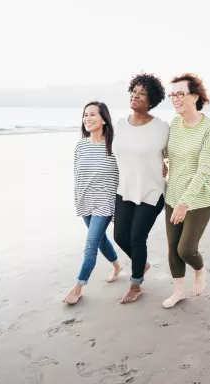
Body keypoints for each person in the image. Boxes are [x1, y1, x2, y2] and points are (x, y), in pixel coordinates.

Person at [162, 73, 210, 309]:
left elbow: (204, 168)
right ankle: (178, 292)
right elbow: (167, 153)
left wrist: (185, 203)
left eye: (180, 93)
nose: (175, 98)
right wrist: (161, 164)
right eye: (172, 94)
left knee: (186, 249)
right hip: (173, 194)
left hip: (199, 198)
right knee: (172, 248)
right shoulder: (174, 123)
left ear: (195, 96)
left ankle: (200, 270)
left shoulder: (209, 128)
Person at [112, 73, 169, 304]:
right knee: (119, 236)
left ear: (152, 100)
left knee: (137, 237)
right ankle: (141, 263)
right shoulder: (119, 124)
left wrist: (168, 165)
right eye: (134, 92)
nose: (135, 96)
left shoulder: (162, 128)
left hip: (151, 190)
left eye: (142, 93)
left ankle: (136, 285)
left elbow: (178, 154)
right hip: (125, 189)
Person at [63, 102, 121, 305]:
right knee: (100, 239)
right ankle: (117, 265)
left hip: (105, 202)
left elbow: (130, 169)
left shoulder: (114, 145)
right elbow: (77, 175)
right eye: (85, 115)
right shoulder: (80, 145)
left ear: (104, 118)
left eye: (92, 114)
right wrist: (77, 199)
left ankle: (78, 287)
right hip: (85, 200)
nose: (87, 118)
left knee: (90, 245)